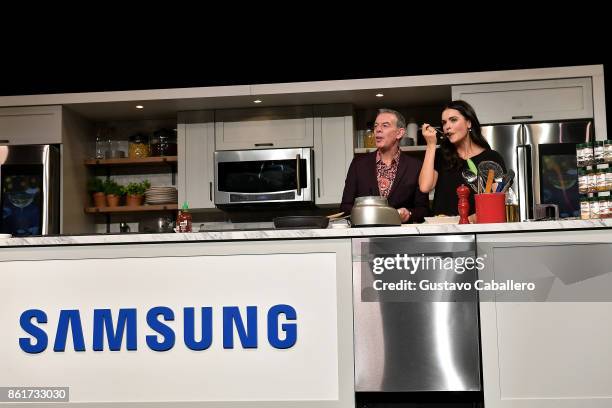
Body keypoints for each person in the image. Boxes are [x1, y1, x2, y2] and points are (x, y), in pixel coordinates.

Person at [419, 100, 506, 219]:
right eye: (444, 123)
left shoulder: (491, 158)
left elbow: (498, 201)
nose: (447, 127)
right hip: (443, 228)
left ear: (469, 123)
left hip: (477, 228)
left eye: (453, 120)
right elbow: (425, 187)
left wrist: (471, 219)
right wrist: (431, 145)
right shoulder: (440, 155)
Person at [340, 109, 429, 223]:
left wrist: (409, 214)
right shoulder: (358, 164)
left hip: (402, 235)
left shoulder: (415, 166)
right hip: (366, 234)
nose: (378, 129)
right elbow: (345, 207)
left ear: (400, 133)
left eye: (385, 125)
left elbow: (424, 209)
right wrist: (368, 214)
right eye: (376, 126)